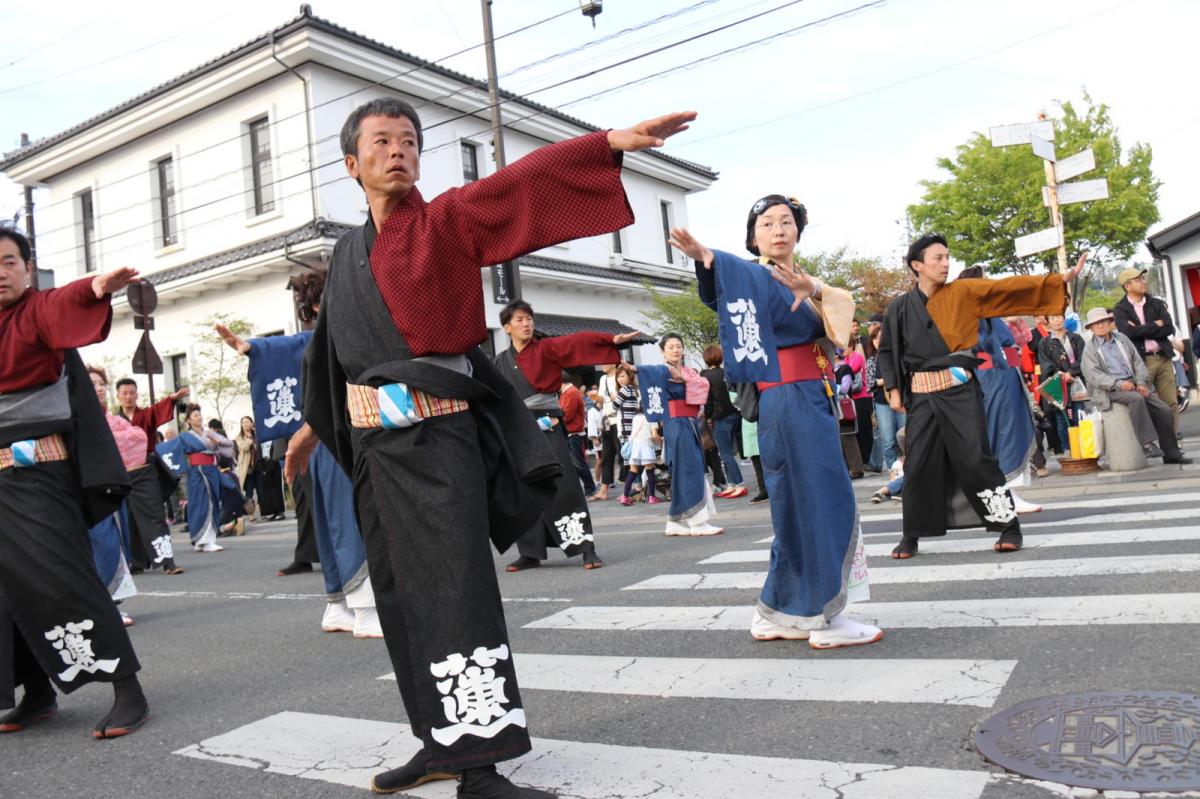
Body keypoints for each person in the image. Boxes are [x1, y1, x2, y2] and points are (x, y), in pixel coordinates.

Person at [292, 97, 694, 797]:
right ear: (352, 164)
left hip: (438, 439)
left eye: (409, 141)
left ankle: (479, 766)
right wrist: (308, 428)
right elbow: (333, 354)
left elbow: (517, 186)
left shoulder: (446, 220)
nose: (398, 150)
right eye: (381, 141)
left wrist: (606, 144)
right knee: (399, 595)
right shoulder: (348, 254)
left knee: (456, 592)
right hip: (377, 454)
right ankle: (438, 741)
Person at [670, 195, 878, 648]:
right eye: (766, 223)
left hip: (805, 396)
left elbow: (842, 311)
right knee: (817, 500)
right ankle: (819, 616)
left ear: (799, 231)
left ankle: (783, 610)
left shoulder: (799, 279)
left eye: (786, 221)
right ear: (752, 238)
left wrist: (813, 288)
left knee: (799, 504)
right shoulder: (754, 276)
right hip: (791, 396)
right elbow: (727, 282)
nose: (778, 229)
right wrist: (709, 259)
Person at [0, 227, 149, 738]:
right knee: (6, 594)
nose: (0, 272)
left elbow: (63, 303)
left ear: (27, 268)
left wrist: (94, 288)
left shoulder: (36, 311)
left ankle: (128, 688)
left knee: (64, 578)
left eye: (9, 261)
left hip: (37, 475)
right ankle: (36, 692)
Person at [878, 235, 1085, 559]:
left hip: (960, 390)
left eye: (947, 257)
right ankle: (911, 534)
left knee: (977, 458)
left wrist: (1057, 281)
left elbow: (1004, 290)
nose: (946, 263)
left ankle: (1008, 526)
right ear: (917, 265)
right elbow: (888, 350)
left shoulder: (961, 292)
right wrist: (893, 390)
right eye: (937, 258)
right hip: (921, 394)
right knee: (917, 464)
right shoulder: (899, 307)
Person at [215, 277, 382, 638]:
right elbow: (287, 346)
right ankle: (365, 608)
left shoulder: (347, 327)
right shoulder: (320, 337)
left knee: (330, 519)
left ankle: (337, 605)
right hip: (330, 437)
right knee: (344, 518)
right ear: (318, 306)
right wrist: (251, 347)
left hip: (332, 438)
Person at [495, 300, 637, 572]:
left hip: (547, 424)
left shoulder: (546, 348)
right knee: (523, 488)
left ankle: (586, 548)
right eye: (520, 320)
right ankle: (530, 552)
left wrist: (610, 340)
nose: (527, 324)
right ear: (507, 327)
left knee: (565, 484)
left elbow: (576, 342)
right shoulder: (500, 361)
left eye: (529, 318)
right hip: (517, 429)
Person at [632, 335, 722, 536]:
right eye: (671, 347)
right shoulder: (661, 370)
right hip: (676, 423)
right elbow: (650, 374)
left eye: (679, 346)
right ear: (663, 351)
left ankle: (674, 521)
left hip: (690, 423)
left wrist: (685, 379)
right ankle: (697, 522)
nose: (675, 350)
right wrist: (635, 368)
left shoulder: (688, 371)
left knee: (687, 469)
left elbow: (704, 385)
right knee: (690, 468)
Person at [1079, 307, 1191, 464]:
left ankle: (1171, 453)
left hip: (1132, 384)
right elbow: (1095, 376)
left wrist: (1141, 383)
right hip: (1108, 389)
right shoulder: (1089, 349)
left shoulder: (1122, 339)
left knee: (1164, 409)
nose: (1101, 325)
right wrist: (1118, 384)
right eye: (1096, 323)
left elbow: (1138, 362)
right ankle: (1147, 444)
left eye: (1103, 321)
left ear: (1110, 322)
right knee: (1135, 399)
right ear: (1090, 328)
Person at [113, 377, 189, 573]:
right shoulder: (113, 421)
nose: (129, 397)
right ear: (118, 396)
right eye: (125, 393)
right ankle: (137, 562)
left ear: (137, 395)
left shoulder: (145, 415)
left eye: (132, 393)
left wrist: (172, 399)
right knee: (130, 517)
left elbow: (157, 410)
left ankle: (168, 562)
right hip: (123, 473)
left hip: (145, 470)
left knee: (155, 515)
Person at [87, 366, 142, 625]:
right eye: (92, 384)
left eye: (101, 384)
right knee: (101, 545)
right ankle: (100, 607)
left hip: (112, 486)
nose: (99, 388)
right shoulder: (77, 416)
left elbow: (137, 436)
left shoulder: (110, 419)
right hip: (90, 489)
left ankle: (108, 604)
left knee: (116, 542)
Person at [1113, 267, 1180, 432]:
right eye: (1138, 280)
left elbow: (1168, 328)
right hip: (1141, 361)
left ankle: (1172, 440)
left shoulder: (1156, 303)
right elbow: (1127, 333)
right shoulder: (1120, 309)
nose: (1144, 282)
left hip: (1163, 357)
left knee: (1170, 402)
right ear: (1127, 286)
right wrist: (1155, 325)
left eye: (1143, 278)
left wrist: (1140, 328)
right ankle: (1151, 440)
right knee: (1144, 402)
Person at [701, 345, 748, 498]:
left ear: (706, 358)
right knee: (728, 452)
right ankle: (731, 484)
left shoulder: (705, 375)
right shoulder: (727, 372)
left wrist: (708, 416)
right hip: (735, 414)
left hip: (719, 416)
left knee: (725, 453)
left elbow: (707, 399)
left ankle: (739, 484)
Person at [1037, 313, 1088, 451]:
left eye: (1059, 317)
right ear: (1048, 322)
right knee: (1061, 419)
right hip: (1058, 384)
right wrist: (1058, 373)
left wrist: (1071, 372)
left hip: (1076, 381)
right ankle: (1068, 449)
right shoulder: (1045, 342)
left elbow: (1083, 358)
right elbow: (1045, 363)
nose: (1056, 320)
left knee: (1079, 415)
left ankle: (1083, 448)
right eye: (1052, 318)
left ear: (1064, 319)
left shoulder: (1076, 338)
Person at [179, 405, 226, 553]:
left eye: (199, 414)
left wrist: (215, 445)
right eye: (195, 415)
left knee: (212, 501)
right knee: (200, 503)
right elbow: (180, 453)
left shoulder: (209, 434)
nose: (198, 417)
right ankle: (202, 540)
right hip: (196, 472)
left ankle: (207, 539)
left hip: (210, 469)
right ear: (188, 420)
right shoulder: (185, 436)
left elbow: (223, 448)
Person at [867, 322, 904, 473]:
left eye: (880, 338)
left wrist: (885, 380)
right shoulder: (872, 360)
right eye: (874, 338)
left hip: (901, 399)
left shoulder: (897, 357)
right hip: (882, 403)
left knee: (906, 435)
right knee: (888, 440)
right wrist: (885, 380)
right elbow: (869, 383)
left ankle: (910, 467)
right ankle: (893, 470)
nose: (877, 341)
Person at [559, 378, 597, 498]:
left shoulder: (571, 392)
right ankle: (588, 488)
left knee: (578, 463)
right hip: (571, 432)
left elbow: (567, 415)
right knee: (576, 463)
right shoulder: (568, 392)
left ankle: (590, 487)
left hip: (573, 432)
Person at [234, 416, 259, 514]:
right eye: (243, 422)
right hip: (247, 467)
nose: (245, 424)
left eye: (247, 422)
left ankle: (263, 510)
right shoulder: (239, 437)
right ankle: (250, 512)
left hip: (258, 465)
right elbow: (244, 447)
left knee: (260, 488)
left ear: (252, 423)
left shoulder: (257, 434)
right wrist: (249, 439)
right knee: (249, 490)